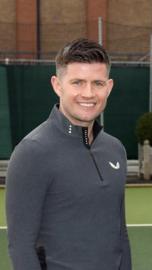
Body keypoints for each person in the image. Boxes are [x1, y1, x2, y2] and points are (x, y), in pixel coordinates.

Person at [6, 38, 131, 270]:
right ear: (57, 85)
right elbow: (20, 245)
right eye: (77, 82)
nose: (88, 93)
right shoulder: (32, 152)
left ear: (109, 87)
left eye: (97, 83)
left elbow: (120, 234)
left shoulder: (116, 149)